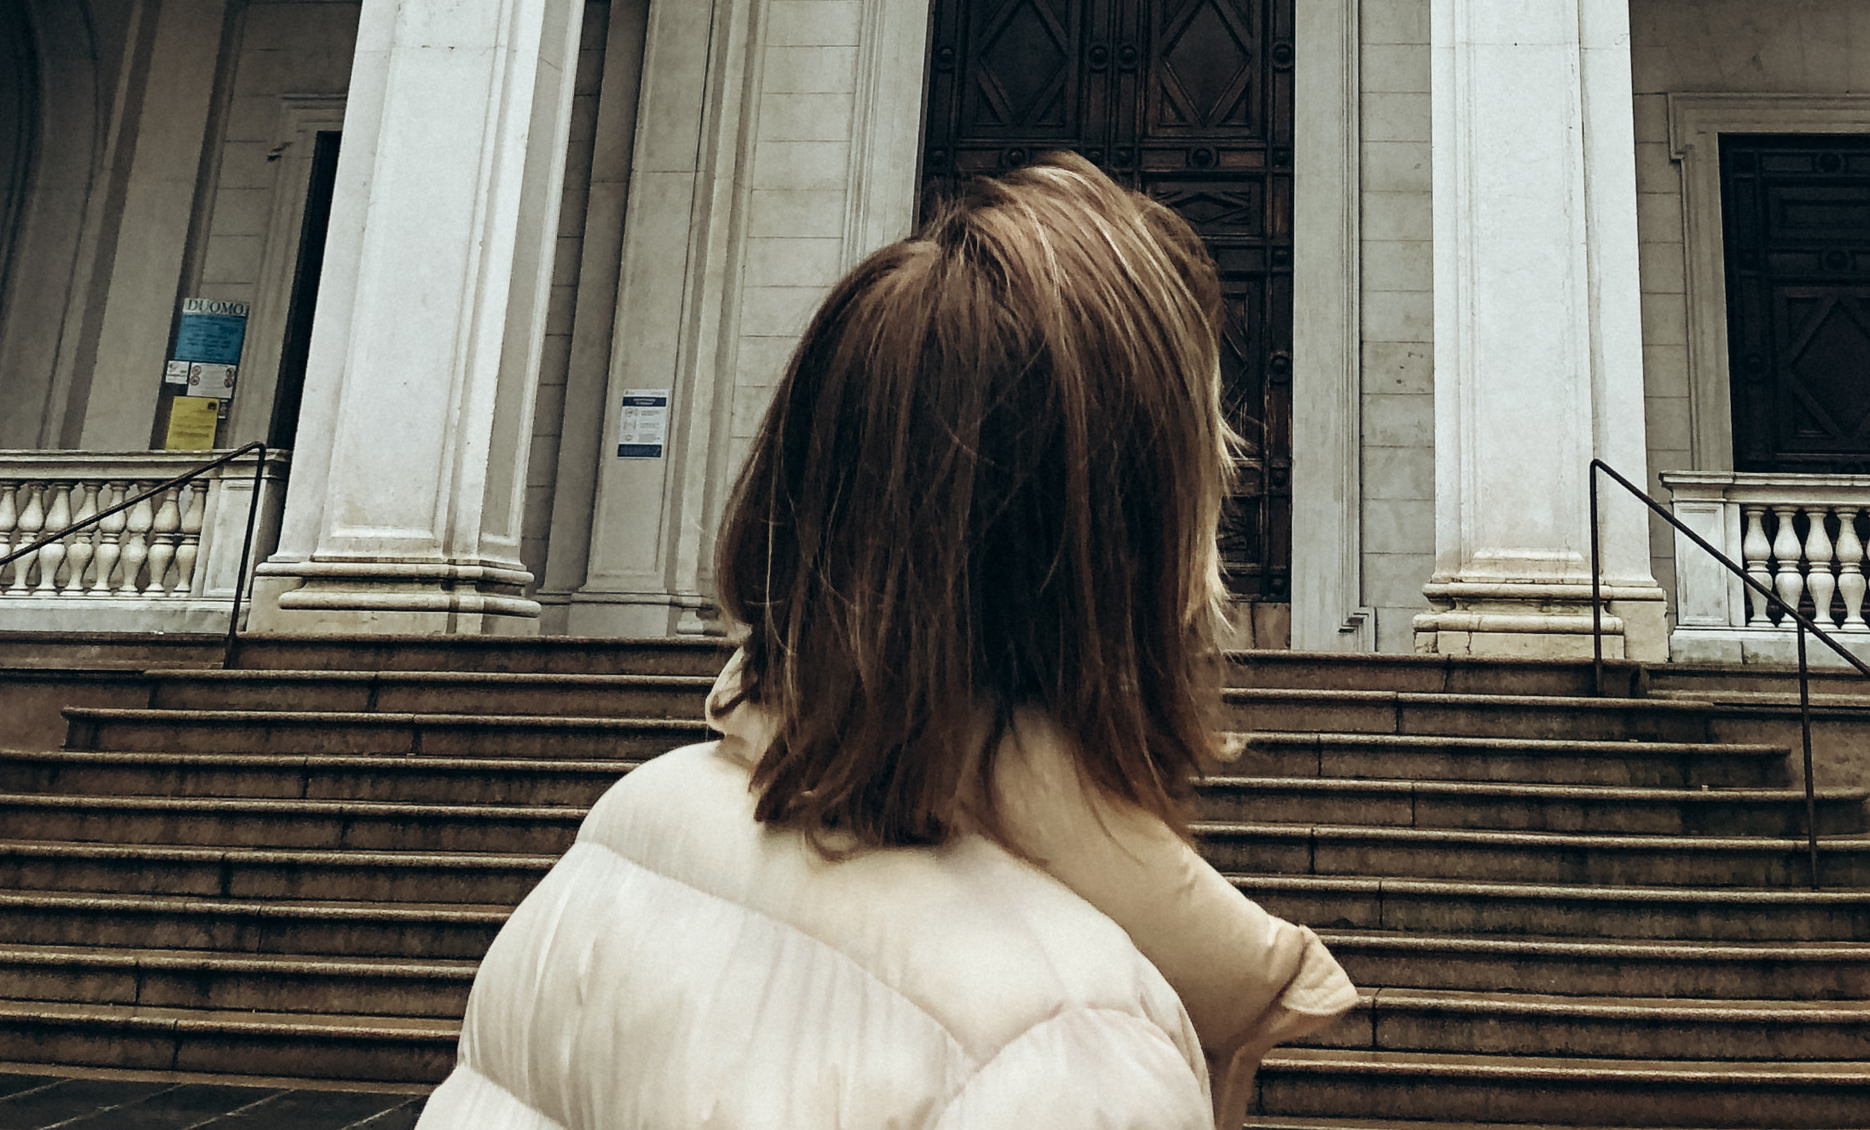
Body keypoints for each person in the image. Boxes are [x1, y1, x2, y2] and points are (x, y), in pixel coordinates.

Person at [422, 156, 1355, 1130]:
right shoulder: (1076, 1045)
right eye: (1205, 461)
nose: (1229, 487)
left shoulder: (627, 832)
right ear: (1119, 548)